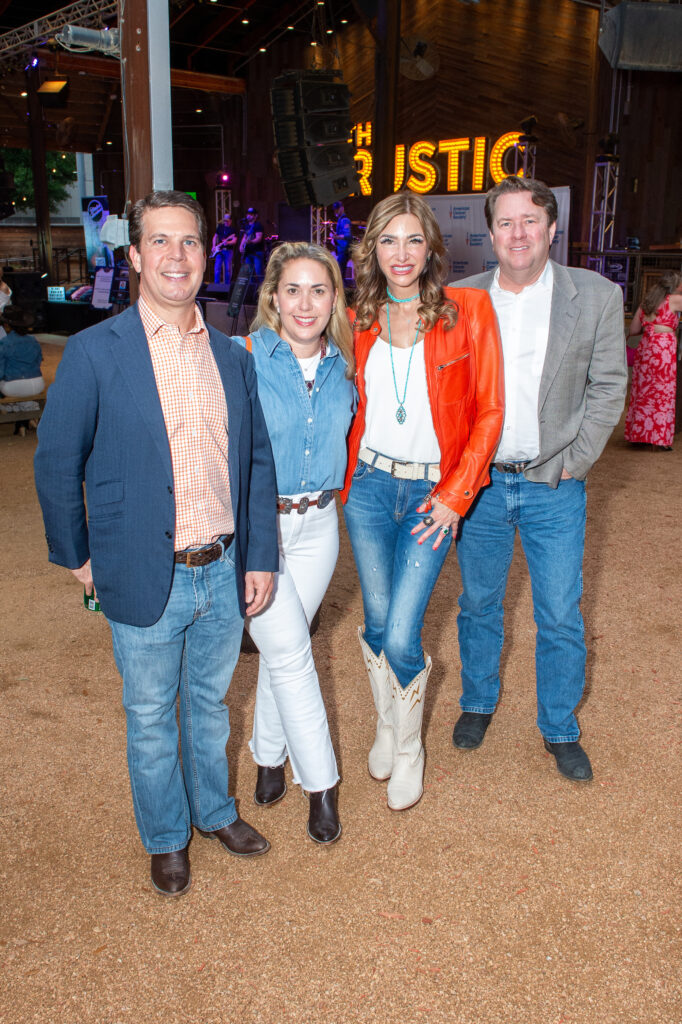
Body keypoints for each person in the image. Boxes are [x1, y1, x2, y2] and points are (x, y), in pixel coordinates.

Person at [34, 190, 279, 897]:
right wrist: (77, 556)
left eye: (190, 242)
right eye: (161, 242)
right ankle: (167, 837)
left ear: (207, 254)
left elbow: (255, 460)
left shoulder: (232, 355)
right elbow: (55, 462)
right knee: (149, 718)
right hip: (141, 568)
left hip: (223, 566)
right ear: (136, 256)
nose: (178, 256)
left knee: (210, 706)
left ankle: (215, 812)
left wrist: (259, 554)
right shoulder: (93, 352)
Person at [452, 176, 627, 782]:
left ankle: (558, 724)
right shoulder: (458, 298)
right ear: (491, 234)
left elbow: (609, 386)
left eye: (531, 221)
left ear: (553, 229)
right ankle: (477, 700)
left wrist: (575, 460)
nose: (518, 233)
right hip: (481, 488)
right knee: (478, 604)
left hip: (557, 482)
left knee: (558, 612)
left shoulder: (597, 295)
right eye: (506, 222)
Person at [340, 192, 504, 812]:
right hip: (368, 488)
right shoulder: (357, 317)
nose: (401, 254)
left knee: (404, 633)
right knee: (378, 622)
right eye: (388, 240)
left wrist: (457, 497)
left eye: (413, 240)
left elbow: (490, 410)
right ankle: (388, 723)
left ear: (432, 247)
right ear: (372, 249)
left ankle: (409, 748)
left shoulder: (469, 309)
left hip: (434, 494)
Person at [231, 242, 355, 843]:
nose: (306, 303)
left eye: (319, 290)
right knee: (290, 653)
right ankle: (323, 785)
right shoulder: (243, 357)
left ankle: (266, 753)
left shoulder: (346, 366)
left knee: (287, 646)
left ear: (335, 298)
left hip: (321, 528)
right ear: (273, 297)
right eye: (293, 290)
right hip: (261, 529)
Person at [624, 270, 682, 451]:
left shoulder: (647, 303)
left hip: (646, 349)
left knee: (643, 392)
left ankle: (639, 435)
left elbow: (633, 330)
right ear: (675, 286)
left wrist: (650, 326)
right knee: (662, 393)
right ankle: (659, 438)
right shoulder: (674, 300)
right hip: (663, 350)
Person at [0, 306, 45, 436]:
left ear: (7, 325)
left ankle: (16, 414)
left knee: (8, 390)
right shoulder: (34, 341)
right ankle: (24, 420)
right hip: (37, 383)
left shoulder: (5, 343)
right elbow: (38, 361)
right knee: (24, 394)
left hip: (13, 386)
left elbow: (1, 371)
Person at [211, 211, 237, 286]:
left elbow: (234, 241)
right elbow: (215, 237)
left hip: (228, 251)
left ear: (230, 221)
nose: (226, 222)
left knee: (227, 269)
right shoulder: (220, 227)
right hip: (219, 250)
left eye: (227, 221)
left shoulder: (233, 230)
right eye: (225, 220)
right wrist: (213, 246)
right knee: (217, 268)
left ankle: (227, 286)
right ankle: (217, 285)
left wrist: (228, 243)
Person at [239, 207, 265, 281]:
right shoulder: (246, 226)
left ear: (255, 216)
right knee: (249, 273)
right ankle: (251, 289)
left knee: (258, 272)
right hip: (248, 252)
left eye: (251, 214)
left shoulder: (258, 225)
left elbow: (259, 238)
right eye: (248, 214)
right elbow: (245, 236)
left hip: (257, 252)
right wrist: (241, 245)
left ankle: (262, 290)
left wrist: (250, 241)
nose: (248, 216)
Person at [331, 200, 352, 283]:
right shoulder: (340, 220)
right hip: (341, 250)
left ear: (342, 208)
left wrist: (336, 237)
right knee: (340, 272)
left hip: (344, 249)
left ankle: (343, 291)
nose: (335, 211)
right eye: (335, 209)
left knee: (339, 272)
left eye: (337, 209)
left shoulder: (344, 220)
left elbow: (348, 235)